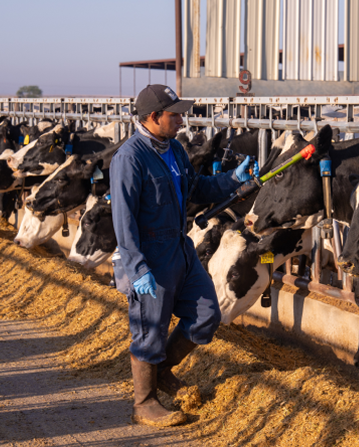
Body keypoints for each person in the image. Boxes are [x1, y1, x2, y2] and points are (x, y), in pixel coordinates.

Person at [110, 84, 258, 427]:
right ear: (153, 117)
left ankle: (161, 370)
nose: (182, 120)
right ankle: (144, 402)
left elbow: (195, 188)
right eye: (174, 114)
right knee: (150, 329)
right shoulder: (129, 158)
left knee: (207, 313)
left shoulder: (174, 150)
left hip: (179, 245)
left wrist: (231, 180)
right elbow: (123, 217)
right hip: (149, 253)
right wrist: (136, 266)